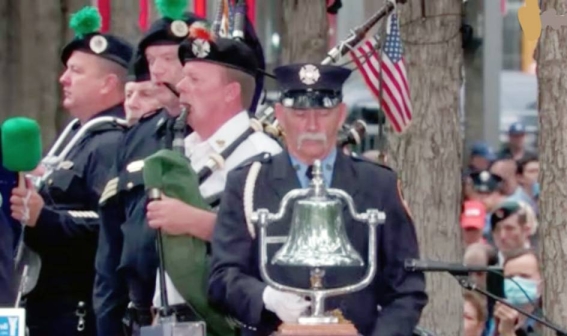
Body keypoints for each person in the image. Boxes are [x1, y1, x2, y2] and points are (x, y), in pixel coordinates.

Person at [208, 63, 427, 336]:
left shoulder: (378, 186)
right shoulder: (248, 184)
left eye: (323, 113)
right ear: (280, 115)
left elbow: (407, 289)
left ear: (341, 115)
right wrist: (267, 297)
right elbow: (221, 278)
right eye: (299, 113)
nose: (311, 125)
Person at [9, 6, 132, 335]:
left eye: (76, 71)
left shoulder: (110, 142)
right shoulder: (80, 136)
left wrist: (44, 218)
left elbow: (111, 226)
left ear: (108, 84)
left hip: (78, 315)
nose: (63, 78)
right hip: (49, 310)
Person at [145, 28, 281, 320]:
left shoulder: (262, 155)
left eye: (194, 79)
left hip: (223, 322)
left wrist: (195, 222)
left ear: (230, 92)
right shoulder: (188, 149)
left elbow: (274, 242)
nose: (180, 86)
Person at [93, 5, 207, 334]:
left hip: (203, 311)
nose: (157, 71)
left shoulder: (215, 133)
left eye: (170, 59)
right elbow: (111, 238)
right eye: (152, 60)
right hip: (140, 313)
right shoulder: (138, 136)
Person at [492, 248, 542, 336]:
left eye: (524, 276)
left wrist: (507, 333)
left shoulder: (550, 324)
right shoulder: (496, 321)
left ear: (541, 284)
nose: (515, 282)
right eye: (509, 278)